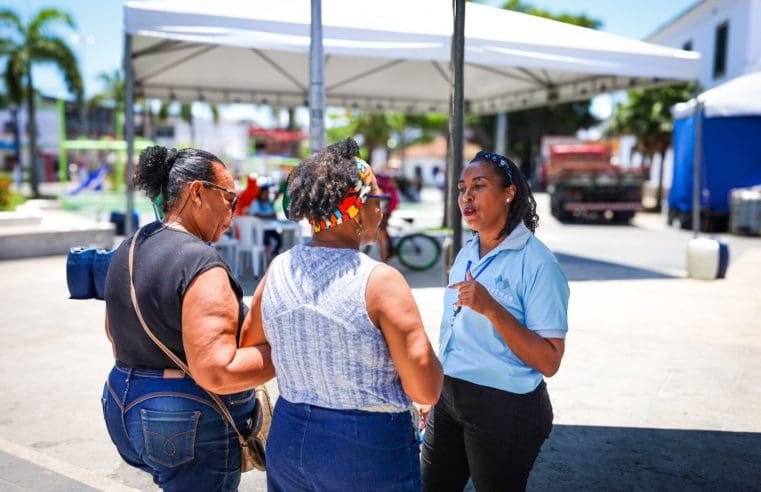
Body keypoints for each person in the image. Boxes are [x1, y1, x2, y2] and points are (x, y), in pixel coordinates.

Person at [240, 138, 443, 491]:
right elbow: (425, 386)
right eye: (378, 200)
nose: (382, 211)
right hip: (366, 447)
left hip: (290, 436)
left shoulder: (278, 269)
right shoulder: (379, 281)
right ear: (359, 208)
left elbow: (251, 346)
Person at [101, 146, 275, 491]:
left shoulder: (130, 246)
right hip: (182, 420)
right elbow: (218, 372)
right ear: (197, 193)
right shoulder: (200, 262)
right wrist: (285, 355)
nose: (233, 213)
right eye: (230, 199)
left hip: (122, 403)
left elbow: (112, 332)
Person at [420, 151, 570, 492]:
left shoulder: (538, 264)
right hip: (450, 396)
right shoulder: (467, 251)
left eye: (479, 186)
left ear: (509, 193)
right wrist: (436, 390)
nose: (466, 196)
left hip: (506, 408)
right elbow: (454, 330)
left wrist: (492, 309)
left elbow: (549, 360)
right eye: (462, 188)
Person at [249, 183, 283, 258]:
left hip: (270, 229)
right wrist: (268, 216)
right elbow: (256, 216)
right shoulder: (256, 203)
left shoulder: (269, 204)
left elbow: (274, 216)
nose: (267, 195)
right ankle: (265, 255)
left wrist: (268, 216)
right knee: (266, 238)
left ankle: (274, 255)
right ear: (260, 194)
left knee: (279, 238)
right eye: (265, 194)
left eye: (268, 193)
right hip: (258, 231)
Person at [374, 171, 400, 261]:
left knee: (380, 236)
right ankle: (389, 250)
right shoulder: (387, 185)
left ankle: (384, 259)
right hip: (387, 210)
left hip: (386, 210)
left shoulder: (383, 183)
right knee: (382, 233)